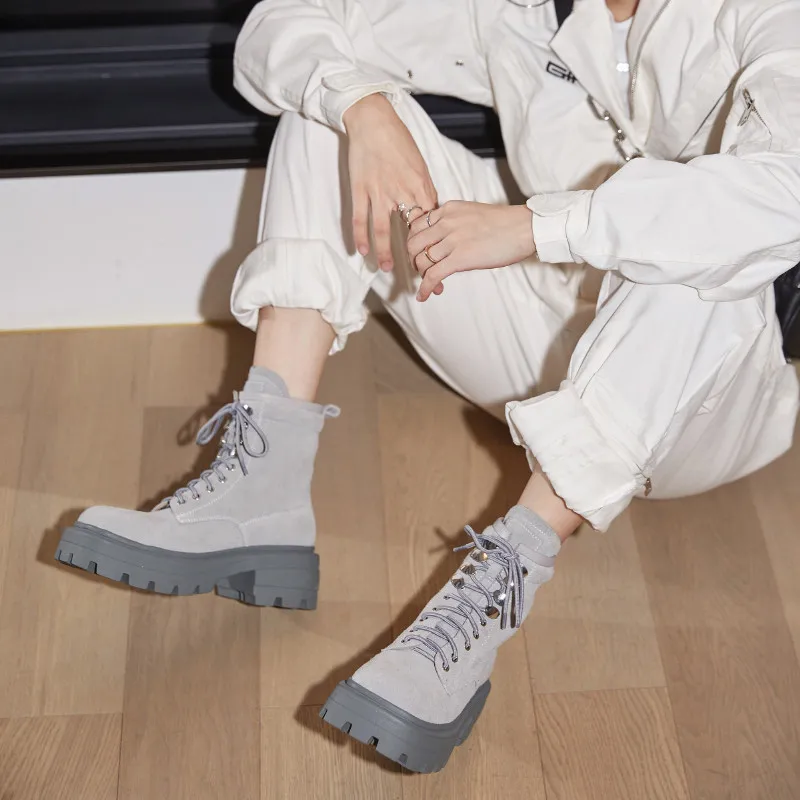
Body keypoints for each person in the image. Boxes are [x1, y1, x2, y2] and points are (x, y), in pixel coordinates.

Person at [56, 0, 800, 774]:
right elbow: (281, 21)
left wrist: (538, 227)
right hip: (537, 338)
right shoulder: (518, 10)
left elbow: (786, 191)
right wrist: (364, 108)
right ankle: (260, 488)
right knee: (327, 108)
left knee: (708, 253)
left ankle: (498, 581)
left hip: (695, 400)